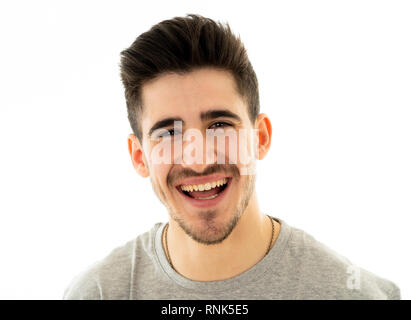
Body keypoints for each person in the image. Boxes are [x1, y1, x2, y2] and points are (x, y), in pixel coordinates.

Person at [63, 14, 400, 300]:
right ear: (139, 157)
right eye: (168, 133)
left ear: (261, 137)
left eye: (220, 125)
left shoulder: (354, 294)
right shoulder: (99, 292)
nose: (198, 160)